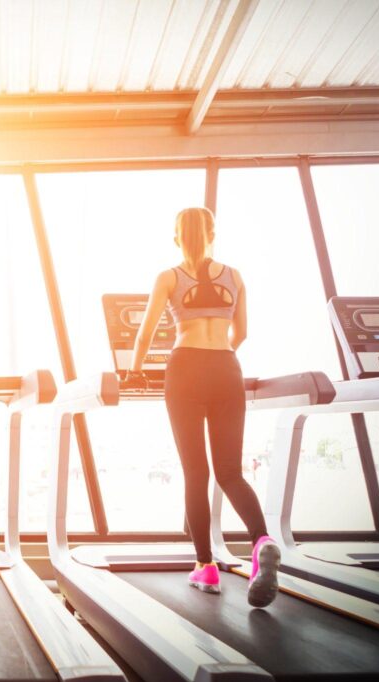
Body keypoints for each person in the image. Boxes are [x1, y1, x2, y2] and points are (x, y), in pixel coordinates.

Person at [127, 207, 280, 608]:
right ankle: (262, 540)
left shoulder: (169, 277)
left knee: (196, 472)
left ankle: (205, 565)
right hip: (226, 367)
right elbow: (241, 332)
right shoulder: (236, 276)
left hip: (185, 368)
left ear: (176, 237)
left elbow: (144, 335)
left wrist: (133, 371)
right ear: (213, 233)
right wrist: (221, 357)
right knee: (230, 471)